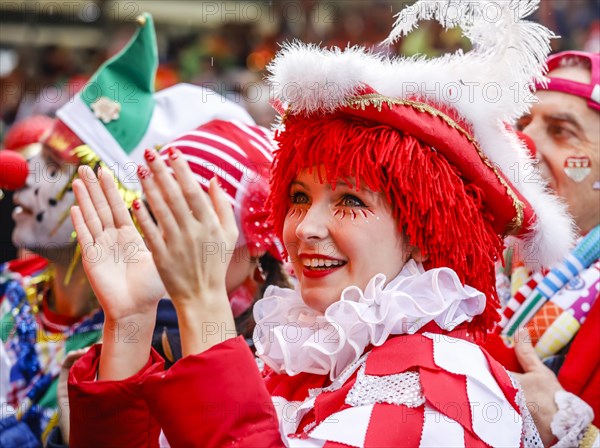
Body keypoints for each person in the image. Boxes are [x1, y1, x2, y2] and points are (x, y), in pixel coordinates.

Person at [66, 1, 577, 446]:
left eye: (350, 199)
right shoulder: (302, 358)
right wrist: (131, 323)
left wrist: (204, 307)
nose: (305, 226)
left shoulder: (439, 386)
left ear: (425, 228)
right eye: (298, 196)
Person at [0, 12, 261, 447]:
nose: (21, 179)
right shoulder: (10, 290)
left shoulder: (154, 344)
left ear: (122, 200)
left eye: (51, 167)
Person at [491, 50, 600, 446]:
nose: (525, 142)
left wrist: (572, 433)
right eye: (521, 123)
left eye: (560, 130)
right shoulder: (470, 261)